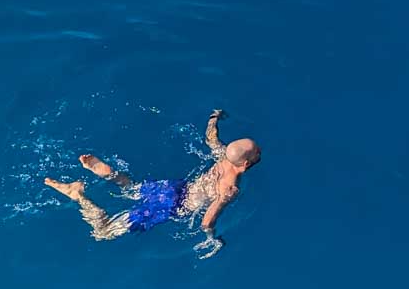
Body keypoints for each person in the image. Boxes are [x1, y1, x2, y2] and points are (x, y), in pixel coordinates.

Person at [44, 109, 260, 258]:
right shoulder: (229, 187)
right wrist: (212, 239)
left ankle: (106, 172)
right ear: (244, 165)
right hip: (173, 206)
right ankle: (78, 194)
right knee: (103, 232)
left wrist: (214, 118)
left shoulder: (223, 156)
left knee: (131, 189)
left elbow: (210, 139)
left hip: (174, 188)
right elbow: (206, 221)